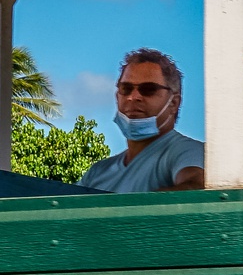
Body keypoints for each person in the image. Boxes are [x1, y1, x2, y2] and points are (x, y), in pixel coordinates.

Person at [78, 48, 205, 193]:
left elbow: (197, 187)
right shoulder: (97, 172)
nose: (133, 97)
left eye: (149, 89)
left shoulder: (186, 151)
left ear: (174, 103)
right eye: (126, 88)